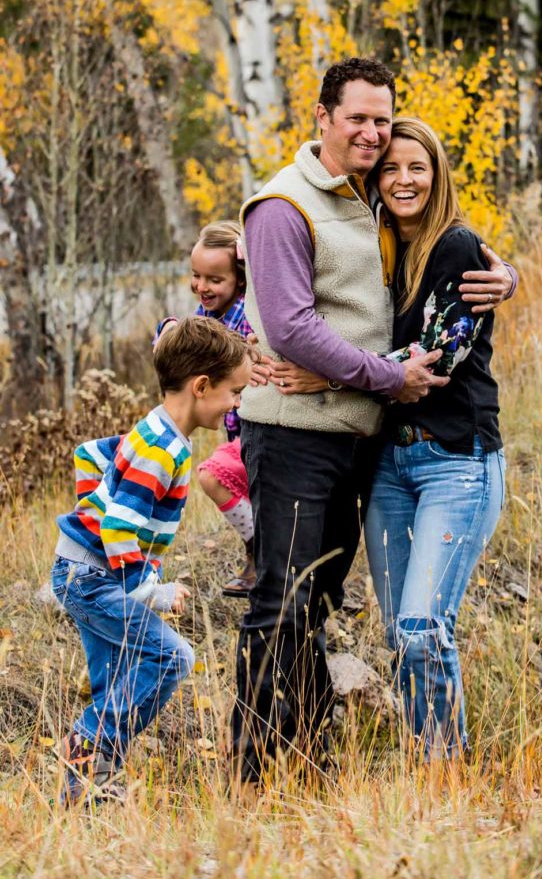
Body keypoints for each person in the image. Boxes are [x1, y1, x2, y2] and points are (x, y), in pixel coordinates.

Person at [232, 57, 514, 781]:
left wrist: (509, 275)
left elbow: (449, 276)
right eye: (357, 118)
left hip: (361, 442)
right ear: (321, 117)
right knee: (282, 599)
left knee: (314, 602)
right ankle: (258, 770)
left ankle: (309, 755)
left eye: (381, 121)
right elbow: (292, 328)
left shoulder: (369, 204)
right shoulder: (282, 205)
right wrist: (384, 375)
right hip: (294, 434)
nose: (371, 134)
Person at [52, 317, 251, 805]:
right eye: (233, 392)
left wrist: (90, 507)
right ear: (201, 386)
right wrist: (147, 590)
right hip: (94, 578)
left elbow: (89, 454)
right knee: (171, 658)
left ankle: (84, 799)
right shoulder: (162, 451)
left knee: (113, 682)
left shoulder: (156, 430)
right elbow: (119, 528)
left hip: (88, 569)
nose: (236, 403)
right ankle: (84, 745)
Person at [361, 117, 512, 761]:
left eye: (416, 167)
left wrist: (332, 373)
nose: (403, 179)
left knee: (424, 627)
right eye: (390, 168)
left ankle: (446, 769)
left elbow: (440, 360)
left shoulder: (456, 245)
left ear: (437, 173)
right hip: (386, 466)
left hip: (456, 458)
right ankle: (430, 773)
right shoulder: (372, 252)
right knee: (401, 633)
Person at [155, 221, 268, 598]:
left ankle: (263, 552)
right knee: (222, 479)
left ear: (240, 279)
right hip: (240, 433)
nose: (202, 286)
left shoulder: (253, 312)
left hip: (265, 427)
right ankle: (259, 550)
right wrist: (170, 328)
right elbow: (184, 336)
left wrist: (250, 254)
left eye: (214, 279)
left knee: (214, 475)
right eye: (196, 275)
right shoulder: (210, 317)